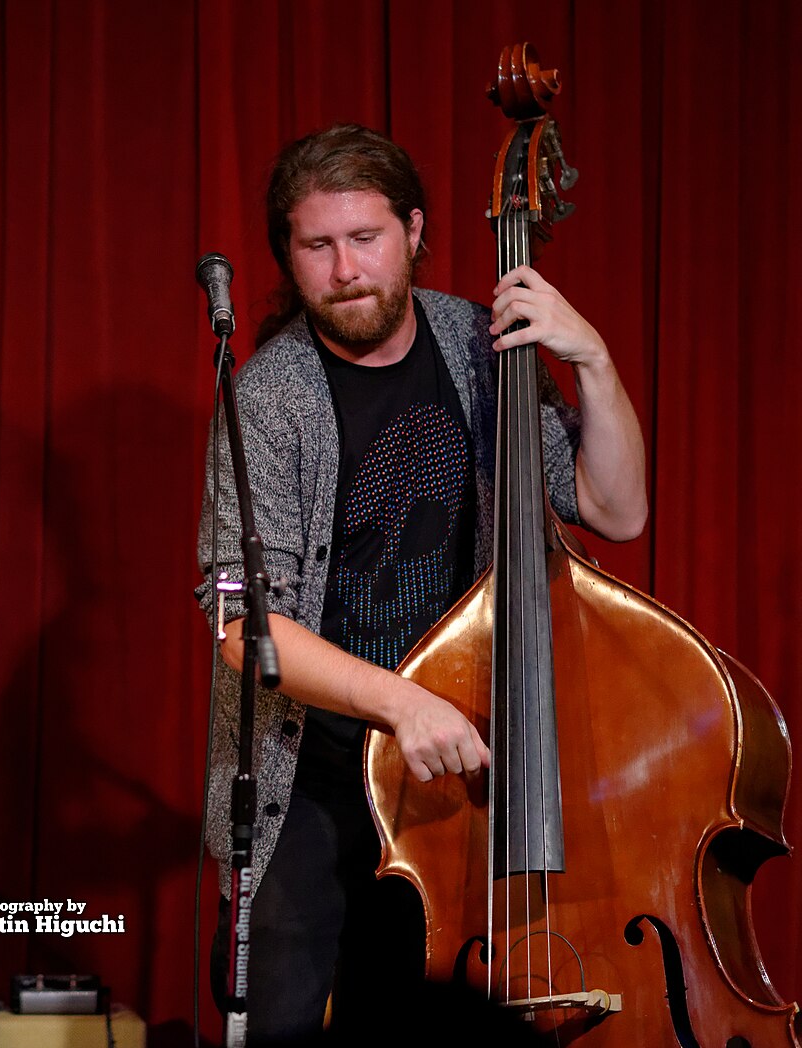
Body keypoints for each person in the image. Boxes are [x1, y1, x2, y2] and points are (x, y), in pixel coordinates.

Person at [194, 125, 647, 1043]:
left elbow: (617, 507)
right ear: (289, 253)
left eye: (366, 238)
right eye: (316, 246)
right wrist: (398, 703)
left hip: (461, 768)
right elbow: (244, 628)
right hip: (313, 775)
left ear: (415, 230)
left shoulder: (478, 345)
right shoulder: (266, 399)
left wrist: (591, 356)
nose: (345, 269)